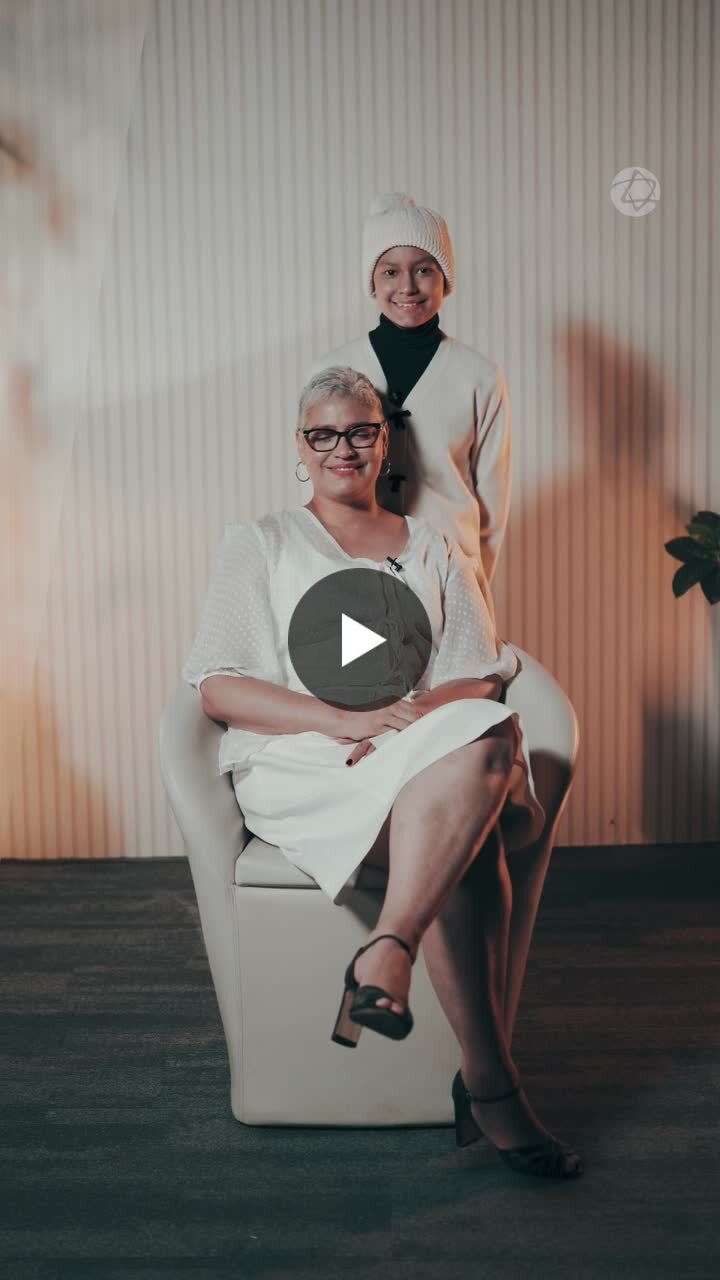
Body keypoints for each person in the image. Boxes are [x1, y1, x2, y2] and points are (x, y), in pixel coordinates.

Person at [182, 366, 584, 1180]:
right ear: (301, 447)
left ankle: (388, 949)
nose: (343, 447)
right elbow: (219, 686)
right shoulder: (260, 541)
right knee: (472, 844)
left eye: (361, 431)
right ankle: (491, 1085)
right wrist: (347, 721)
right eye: (323, 433)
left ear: (385, 441)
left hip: (417, 744)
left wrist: (407, 719)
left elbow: (477, 675)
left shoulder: (432, 546)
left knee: (485, 732)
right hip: (303, 755)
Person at [306, 190, 575, 1121]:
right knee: (383, 730)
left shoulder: (476, 375)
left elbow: (489, 511)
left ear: (446, 279)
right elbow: (315, 484)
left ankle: (454, 1043)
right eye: (390, 270)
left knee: (457, 730)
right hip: (359, 588)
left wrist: (471, 614)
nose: (407, 284)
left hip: (448, 585)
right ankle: (484, 1078)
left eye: (424, 269)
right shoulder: (338, 371)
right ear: (371, 281)